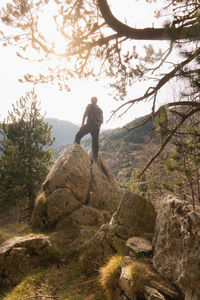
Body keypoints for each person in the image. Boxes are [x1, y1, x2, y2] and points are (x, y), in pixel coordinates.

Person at [74, 96, 103, 161]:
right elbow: (101, 121)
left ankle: (76, 151)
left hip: (90, 124)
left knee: (78, 135)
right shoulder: (100, 109)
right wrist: (98, 128)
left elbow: (85, 115)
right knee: (95, 141)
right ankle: (95, 157)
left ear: (91, 101)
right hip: (97, 127)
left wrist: (82, 124)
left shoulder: (89, 106)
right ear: (97, 101)